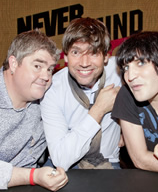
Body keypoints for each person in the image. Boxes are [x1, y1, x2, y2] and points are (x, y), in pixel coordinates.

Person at [40, 17, 121, 171]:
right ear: (65, 56)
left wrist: (129, 127)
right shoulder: (52, 88)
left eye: (94, 53)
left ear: (106, 56)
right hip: (66, 163)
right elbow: (61, 160)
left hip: (108, 161)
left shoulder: (121, 71)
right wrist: (99, 109)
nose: (84, 62)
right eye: (76, 52)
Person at [0, 29, 68, 190]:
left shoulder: (46, 96)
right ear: (14, 63)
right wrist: (32, 176)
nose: (46, 76)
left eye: (50, 69)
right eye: (37, 66)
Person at [112, 31, 158, 174]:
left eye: (141, 63)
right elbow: (140, 158)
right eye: (126, 68)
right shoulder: (127, 96)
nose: (130, 76)